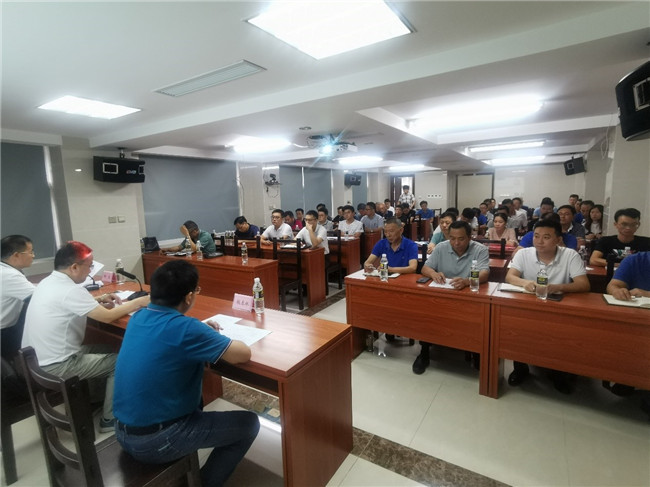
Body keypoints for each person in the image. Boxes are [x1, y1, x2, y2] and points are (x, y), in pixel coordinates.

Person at [113, 260, 258, 487]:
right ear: (189, 297)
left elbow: (171, 338)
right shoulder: (188, 328)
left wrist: (201, 332)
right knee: (249, 424)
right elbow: (242, 354)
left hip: (122, 431)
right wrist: (207, 334)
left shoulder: (138, 317)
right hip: (156, 440)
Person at [22, 241, 150, 432]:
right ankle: (110, 419)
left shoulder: (49, 282)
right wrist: (139, 302)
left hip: (35, 361)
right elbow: (107, 316)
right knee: (121, 361)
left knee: (107, 347)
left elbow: (69, 302)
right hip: (56, 365)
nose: (90, 272)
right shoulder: (70, 290)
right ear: (74, 267)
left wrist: (98, 299)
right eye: (89, 266)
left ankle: (95, 400)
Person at [505, 219, 590, 393]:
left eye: (546, 237)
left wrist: (556, 287)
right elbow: (510, 277)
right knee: (515, 328)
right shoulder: (524, 253)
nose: (539, 241)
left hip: (558, 308)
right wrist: (525, 283)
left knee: (560, 336)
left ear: (558, 239)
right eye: (536, 236)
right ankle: (520, 368)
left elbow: (583, 284)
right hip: (528, 307)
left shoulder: (570, 255)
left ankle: (558, 373)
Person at [415, 221, 490, 374]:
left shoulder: (480, 249)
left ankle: (476, 352)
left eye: (461, 239)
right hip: (443, 297)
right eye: (452, 238)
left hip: (468, 298)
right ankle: (424, 352)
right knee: (425, 313)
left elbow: (484, 273)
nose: (456, 243)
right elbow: (425, 268)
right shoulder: (441, 247)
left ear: (470, 237)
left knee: (478, 317)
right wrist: (434, 274)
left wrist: (466, 281)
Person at [604, 251, 650, 412]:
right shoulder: (636, 260)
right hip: (636, 323)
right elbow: (612, 285)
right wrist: (617, 291)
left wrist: (647, 294)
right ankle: (629, 377)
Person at [1, 235, 36, 358]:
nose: (33, 256)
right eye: (30, 252)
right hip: (4, 333)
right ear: (16, 255)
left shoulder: (5, 270)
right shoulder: (9, 275)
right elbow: (39, 298)